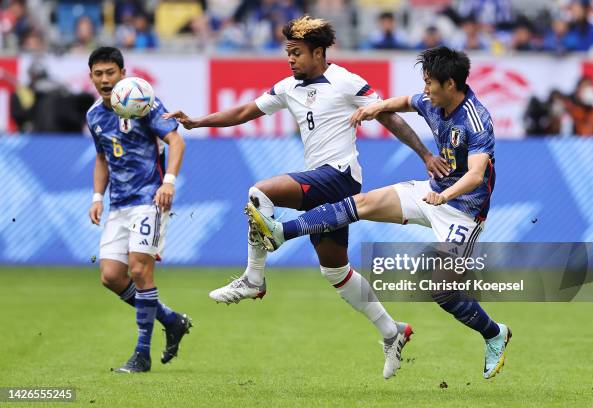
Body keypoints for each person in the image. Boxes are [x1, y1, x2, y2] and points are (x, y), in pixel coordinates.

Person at [164, 16, 448, 379]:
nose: (291, 59)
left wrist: (425, 155)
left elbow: (388, 115)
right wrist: (199, 122)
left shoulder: (346, 81)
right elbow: (244, 112)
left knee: (260, 192)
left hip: (340, 178)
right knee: (335, 271)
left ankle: (254, 278)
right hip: (319, 181)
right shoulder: (288, 87)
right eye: (288, 53)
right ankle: (393, 333)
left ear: (318, 52)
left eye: (297, 53)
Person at [248, 46, 512, 380]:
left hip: (462, 211)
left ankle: (494, 334)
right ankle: (281, 232)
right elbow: (404, 101)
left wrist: (444, 195)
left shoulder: (476, 120)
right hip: (432, 193)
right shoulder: (434, 101)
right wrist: (373, 109)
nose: (425, 88)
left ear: (450, 84)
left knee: (443, 291)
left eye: (430, 82)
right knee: (363, 204)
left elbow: (475, 176)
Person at [86, 46, 192, 373]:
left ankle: (142, 355)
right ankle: (171, 320)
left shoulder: (143, 103)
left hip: (150, 199)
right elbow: (103, 158)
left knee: (139, 270)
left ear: (122, 73)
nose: (105, 80)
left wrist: (169, 182)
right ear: (91, 77)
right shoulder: (94, 116)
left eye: (110, 73)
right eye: (98, 74)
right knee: (110, 276)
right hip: (118, 205)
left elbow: (176, 141)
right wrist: (96, 197)